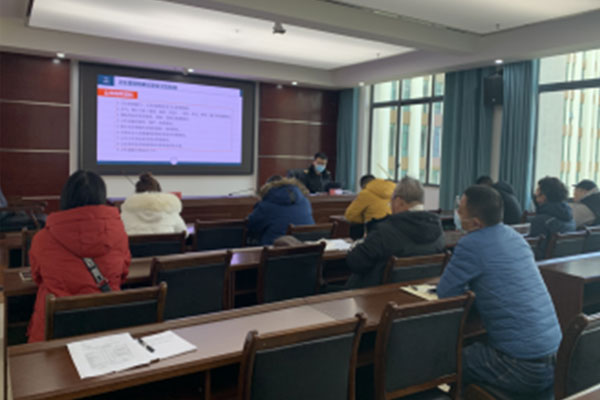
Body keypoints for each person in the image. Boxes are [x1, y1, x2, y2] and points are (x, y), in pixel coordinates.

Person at [437, 185, 561, 395]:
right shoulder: (516, 238)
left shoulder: (471, 243)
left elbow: (446, 294)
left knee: (443, 358)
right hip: (555, 360)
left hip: (522, 368)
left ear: (476, 222)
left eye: (460, 210)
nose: (457, 214)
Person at [27, 171, 131, 342]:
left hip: (55, 331)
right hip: (106, 327)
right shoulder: (120, 234)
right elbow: (124, 274)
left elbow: (37, 277)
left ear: (66, 197)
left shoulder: (42, 238)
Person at [345, 176, 444, 289]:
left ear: (398, 202)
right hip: (419, 291)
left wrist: (363, 242)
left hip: (377, 294)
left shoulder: (386, 231)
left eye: (390, 201)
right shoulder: (438, 229)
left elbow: (355, 262)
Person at [247, 176, 314, 245]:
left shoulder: (266, 206)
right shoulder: (305, 202)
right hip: (307, 247)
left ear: (267, 188)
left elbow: (251, 226)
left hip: (275, 249)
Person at [120, 172, 188, 236]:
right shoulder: (170, 212)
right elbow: (185, 234)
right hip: (165, 245)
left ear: (136, 192)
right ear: (159, 192)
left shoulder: (125, 214)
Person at [530, 176, 575, 258]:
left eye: (537, 193)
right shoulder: (570, 218)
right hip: (564, 261)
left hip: (543, 263)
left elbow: (535, 251)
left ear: (543, 196)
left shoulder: (540, 221)